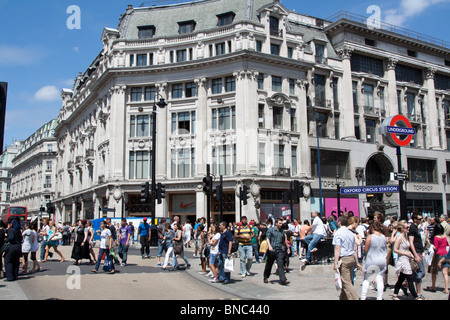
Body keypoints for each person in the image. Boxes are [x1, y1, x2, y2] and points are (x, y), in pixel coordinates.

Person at [333, 215, 361, 300]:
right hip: (351, 258)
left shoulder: (338, 233)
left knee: (346, 282)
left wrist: (335, 263)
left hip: (344, 259)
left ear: (339, 223)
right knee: (345, 281)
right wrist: (356, 262)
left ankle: (355, 298)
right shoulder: (351, 233)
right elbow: (354, 249)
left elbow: (337, 248)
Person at [393, 222, 423, 300]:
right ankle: (416, 296)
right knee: (410, 278)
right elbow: (395, 250)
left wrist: (412, 255)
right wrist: (405, 253)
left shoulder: (405, 236)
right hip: (403, 261)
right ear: (402, 229)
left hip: (407, 259)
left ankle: (395, 294)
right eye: (406, 228)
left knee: (401, 279)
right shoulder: (399, 238)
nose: (408, 229)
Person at [360, 221, 388, 300]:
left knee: (367, 279)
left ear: (372, 228)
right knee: (379, 278)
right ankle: (379, 297)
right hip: (381, 260)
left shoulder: (370, 237)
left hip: (371, 259)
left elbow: (366, 249)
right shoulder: (383, 237)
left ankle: (363, 296)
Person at [263, 218, 290, 286]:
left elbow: (285, 240)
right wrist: (269, 246)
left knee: (280, 264)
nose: (281, 225)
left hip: (279, 250)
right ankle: (266, 277)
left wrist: (287, 248)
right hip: (272, 249)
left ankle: (283, 280)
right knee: (269, 264)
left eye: (281, 223)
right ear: (276, 223)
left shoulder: (282, 231)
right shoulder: (271, 230)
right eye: (280, 223)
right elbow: (267, 238)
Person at [426, 223, 449, 294]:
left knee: (434, 272)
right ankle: (446, 289)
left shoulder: (436, 237)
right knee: (445, 273)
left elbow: (436, 248)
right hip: (445, 254)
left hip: (438, 255)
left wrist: (430, 244)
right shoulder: (444, 237)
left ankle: (433, 286)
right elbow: (447, 245)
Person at [408, 213, 426, 299]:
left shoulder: (415, 228)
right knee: (420, 272)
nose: (421, 220)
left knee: (419, 272)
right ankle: (417, 292)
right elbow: (411, 242)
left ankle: (410, 283)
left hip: (419, 251)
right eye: (420, 219)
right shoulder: (412, 228)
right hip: (417, 252)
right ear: (415, 219)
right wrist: (415, 255)